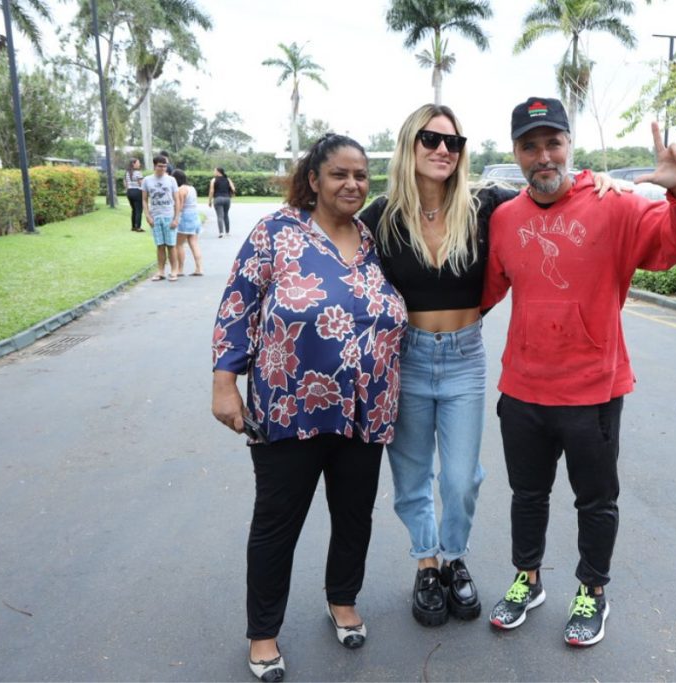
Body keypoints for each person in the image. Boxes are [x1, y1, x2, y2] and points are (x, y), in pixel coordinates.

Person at [358, 103, 625, 629]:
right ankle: (428, 565)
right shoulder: (379, 217)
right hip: (404, 360)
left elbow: (547, 189)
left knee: (460, 478)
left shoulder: (485, 206)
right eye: (431, 140)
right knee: (412, 477)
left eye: (453, 144)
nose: (442, 151)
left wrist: (598, 181)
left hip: (463, 359)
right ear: (409, 145)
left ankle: (455, 556)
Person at [482, 97, 676, 647]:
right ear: (516, 154)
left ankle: (592, 590)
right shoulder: (505, 218)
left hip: (593, 391)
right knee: (527, 494)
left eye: (552, 142)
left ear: (569, 145)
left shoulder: (616, 205)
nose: (543, 156)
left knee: (595, 500)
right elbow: (482, 290)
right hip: (523, 389)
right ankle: (528, 579)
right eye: (530, 145)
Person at [211, 134, 406, 682]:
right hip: (288, 409)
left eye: (361, 175)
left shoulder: (371, 240)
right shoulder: (277, 232)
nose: (352, 184)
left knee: (353, 516)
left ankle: (342, 600)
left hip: (365, 411)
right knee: (277, 524)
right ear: (314, 179)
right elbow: (237, 305)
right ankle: (264, 635)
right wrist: (224, 383)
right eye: (339, 174)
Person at [141, 155, 180, 281]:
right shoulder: (147, 180)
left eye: (165, 166)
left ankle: (174, 271)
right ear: (154, 166)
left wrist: (176, 218)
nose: (163, 168)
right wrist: (147, 216)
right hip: (155, 217)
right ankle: (161, 271)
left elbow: (177, 200)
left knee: (171, 245)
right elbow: (144, 199)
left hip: (169, 216)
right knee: (160, 245)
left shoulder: (171, 180)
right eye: (160, 166)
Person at [172, 170, 204, 276]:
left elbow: (180, 207)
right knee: (194, 243)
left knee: (178, 244)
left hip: (185, 218)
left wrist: (174, 216)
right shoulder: (192, 188)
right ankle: (199, 268)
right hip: (195, 216)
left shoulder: (181, 190)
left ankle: (180, 269)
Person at [208, 167, 236, 237]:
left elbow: (211, 191)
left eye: (214, 171)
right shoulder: (228, 179)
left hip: (218, 199)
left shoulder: (214, 180)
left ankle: (221, 233)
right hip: (227, 199)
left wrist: (210, 201)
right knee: (226, 215)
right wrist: (231, 195)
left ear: (218, 172)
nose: (214, 172)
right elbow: (233, 188)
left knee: (220, 216)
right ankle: (227, 232)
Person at [124, 158, 145, 232]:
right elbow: (141, 183)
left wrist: (128, 191)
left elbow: (125, 184)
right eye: (138, 163)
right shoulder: (138, 173)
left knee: (134, 210)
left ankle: (133, 226)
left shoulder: (127, 172)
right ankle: (138, 227)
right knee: (139, 210)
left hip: (129, 192)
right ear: (133, 164)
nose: (139, 164)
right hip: (137, 192)